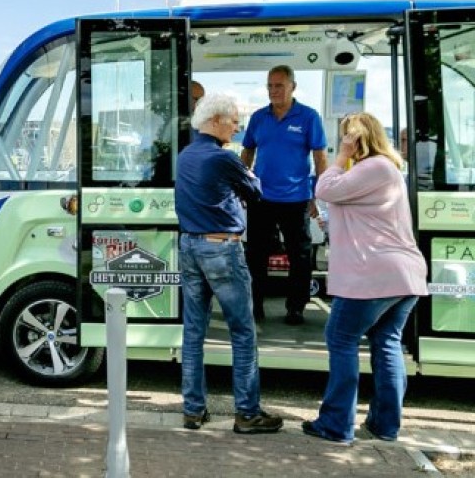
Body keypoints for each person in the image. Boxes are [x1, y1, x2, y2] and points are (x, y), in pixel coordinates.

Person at [302, 112, 428, 444]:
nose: (343, 142)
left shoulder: (372, 167)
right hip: (401, 275)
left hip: (373, 274)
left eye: (347, 136)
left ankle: (336, 424)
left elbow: (324, 188)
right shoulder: (386, 170)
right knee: (386, 343)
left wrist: (340, 156)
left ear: (357, 138)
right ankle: (384, 425)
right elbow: (357, 213)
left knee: (341, 338)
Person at [175, 92, 283, 434]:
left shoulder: (185, 155)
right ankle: (247, 413)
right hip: (221, 248)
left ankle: (193, 410)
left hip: (189, 245)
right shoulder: (223, 158)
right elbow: (256, 191)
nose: (237, 128)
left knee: (194, 332)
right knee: (243, 331)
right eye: (234, 121)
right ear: (214, 120)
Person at [241, 65, 328, 325]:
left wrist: (319, 194)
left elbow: (320, 157)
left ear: (293, 86)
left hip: (296, 198)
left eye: (279, 85)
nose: (273, 90)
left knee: (299, 256)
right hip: (261, 198)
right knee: (256, 255)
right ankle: (254, 305)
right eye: (270, 85)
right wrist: (243, 185)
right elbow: (247, 152)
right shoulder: (258, 117)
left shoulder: (309, 117)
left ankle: (296, 308)